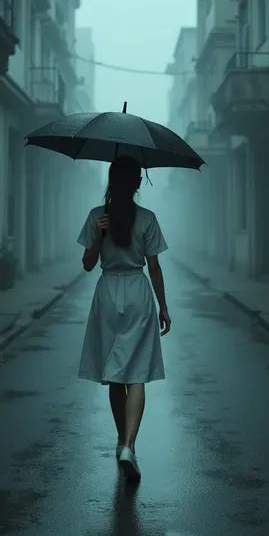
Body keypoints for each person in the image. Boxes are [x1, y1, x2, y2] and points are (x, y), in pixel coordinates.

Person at [77, 155, 171, 482]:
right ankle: (129, 445)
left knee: (114, 374)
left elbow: (88, 264)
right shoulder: (146, 218)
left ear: (111, 181)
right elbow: (154, 266)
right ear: (136, 184)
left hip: (107, 293)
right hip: (138, 291)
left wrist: (98, 237)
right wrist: (163, 305)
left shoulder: (96, 216)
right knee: (137, 373)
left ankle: (121, 442)